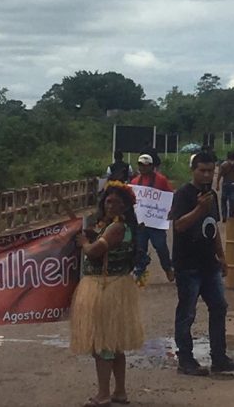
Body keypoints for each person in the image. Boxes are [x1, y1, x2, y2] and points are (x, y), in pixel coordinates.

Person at [169, 152, 234, 376]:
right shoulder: (183, 195)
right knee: (187, 313)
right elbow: (178, 225)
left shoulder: (212, 195)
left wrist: (221, 256)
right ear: (193, 171)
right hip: (187, 264)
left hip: (209, 264)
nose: (207, 175)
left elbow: (213, 227)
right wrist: (198, 210)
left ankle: (219, 357)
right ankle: (185, 359)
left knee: (219, 307)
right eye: (202, 170)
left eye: (210, 171)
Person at [70, 181, 144, 406]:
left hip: (106, 288)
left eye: (116, 202)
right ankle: (119, 392)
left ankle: (103, 395)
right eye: (108, 201)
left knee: (103, 343)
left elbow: (94, 251)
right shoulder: (115, 226)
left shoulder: (116, 227)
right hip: (115, 287)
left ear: (125, 206)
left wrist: (84, 242)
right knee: (115, 343)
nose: (110, 205)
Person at [130, 154, 175, 282]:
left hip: (156, 222)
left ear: (152, 166)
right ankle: (139, 273)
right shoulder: (134, 182)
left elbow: (169, 196)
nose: (143, 167)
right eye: (141, 165)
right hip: (141, 224)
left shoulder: (161, 180)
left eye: (146, 165)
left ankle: (167, 268)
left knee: (161, 246)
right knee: (140, 249)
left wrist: (170, 210)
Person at [216, 151, 234, 222]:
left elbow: (219, 175)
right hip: (233, 184)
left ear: (227, 157)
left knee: (223, 200)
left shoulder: (223, 165)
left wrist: (217, 184)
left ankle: (224, 216)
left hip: (225, 184)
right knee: (232, 201)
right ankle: (231, 216)